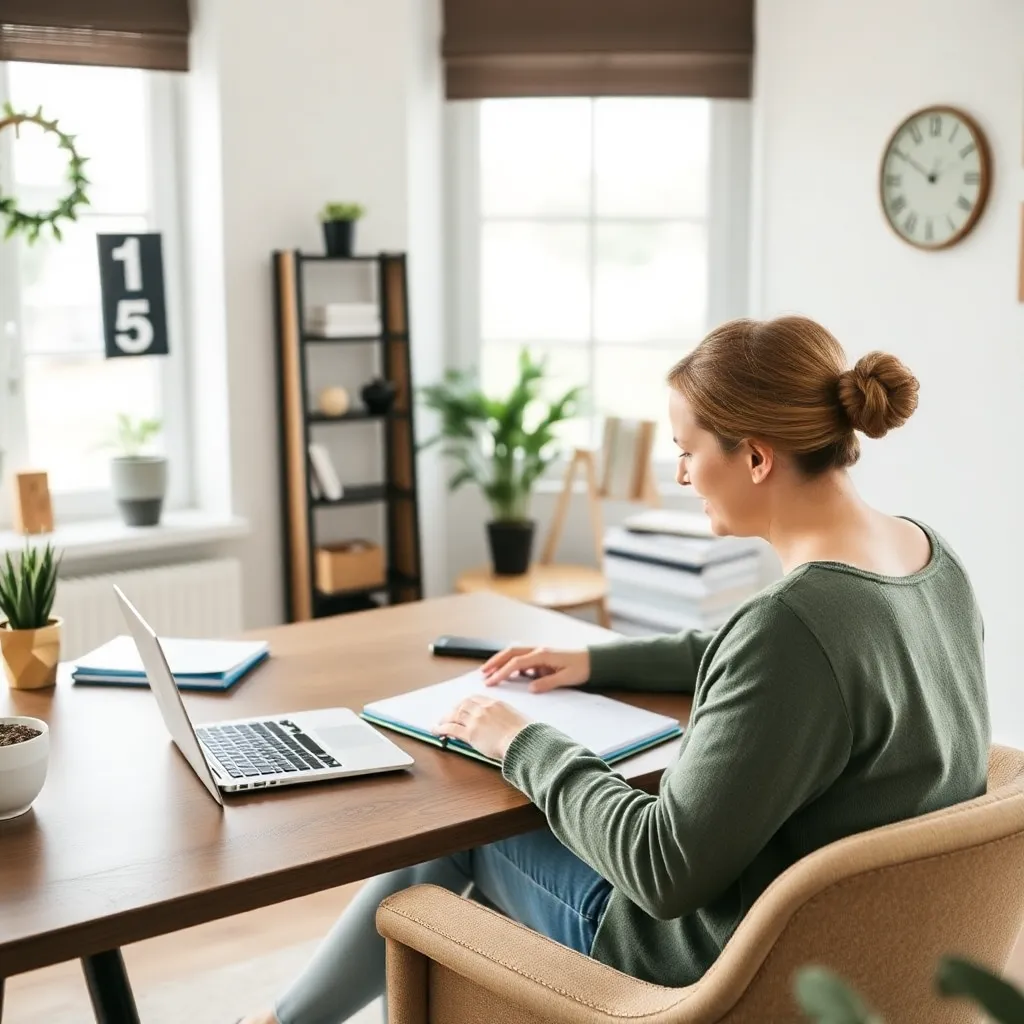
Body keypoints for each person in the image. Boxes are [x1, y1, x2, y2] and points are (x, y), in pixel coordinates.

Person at [239, 315, 989, 1024]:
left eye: (688, 451)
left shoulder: (791, 626)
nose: (683, 474)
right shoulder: (927, 559)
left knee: (460, 833)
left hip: (704, 968)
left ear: (758, 458)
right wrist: (593, 660)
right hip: (872, 952)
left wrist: (522, 742)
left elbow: (664, 870)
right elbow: (765, 655)